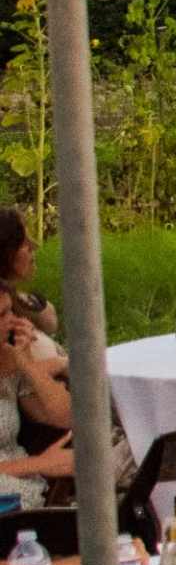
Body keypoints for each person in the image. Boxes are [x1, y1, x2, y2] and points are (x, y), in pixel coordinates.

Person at [0, 206, 70, 487]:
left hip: (22, 488)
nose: (12, 321)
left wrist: (26, 363)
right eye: (2, 316)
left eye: (9, 312)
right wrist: (42, 463)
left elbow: (65, 416)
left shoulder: (8, 355)